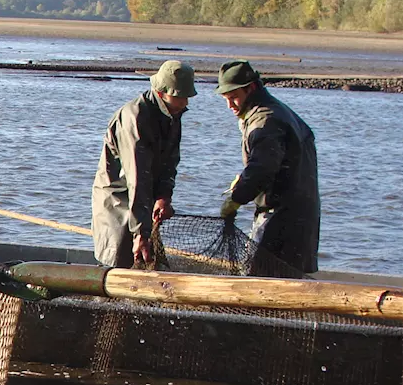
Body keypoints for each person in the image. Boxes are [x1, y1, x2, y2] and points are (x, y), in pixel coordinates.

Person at [215, 60, 320, 275]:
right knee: (284, 276)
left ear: (251, 88)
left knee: (259, 277)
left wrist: (236, 199)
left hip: (283, 216)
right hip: (298, 212)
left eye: (234, 97)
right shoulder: (271, 110)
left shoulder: (265, 120)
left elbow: (262, 168)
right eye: (226, 99)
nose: (230, 105)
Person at [91, 60, 196, 269]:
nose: (184, 102)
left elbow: (170, 161)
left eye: (186, 97)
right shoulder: (135, 117)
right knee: (118, 258)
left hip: (143, 198)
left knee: (147, 257)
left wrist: (164, 196)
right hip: (117, 198)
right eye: (177, 97)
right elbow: (137, 176)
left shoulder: (173, 114)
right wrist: (141, 233)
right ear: (159, 93)